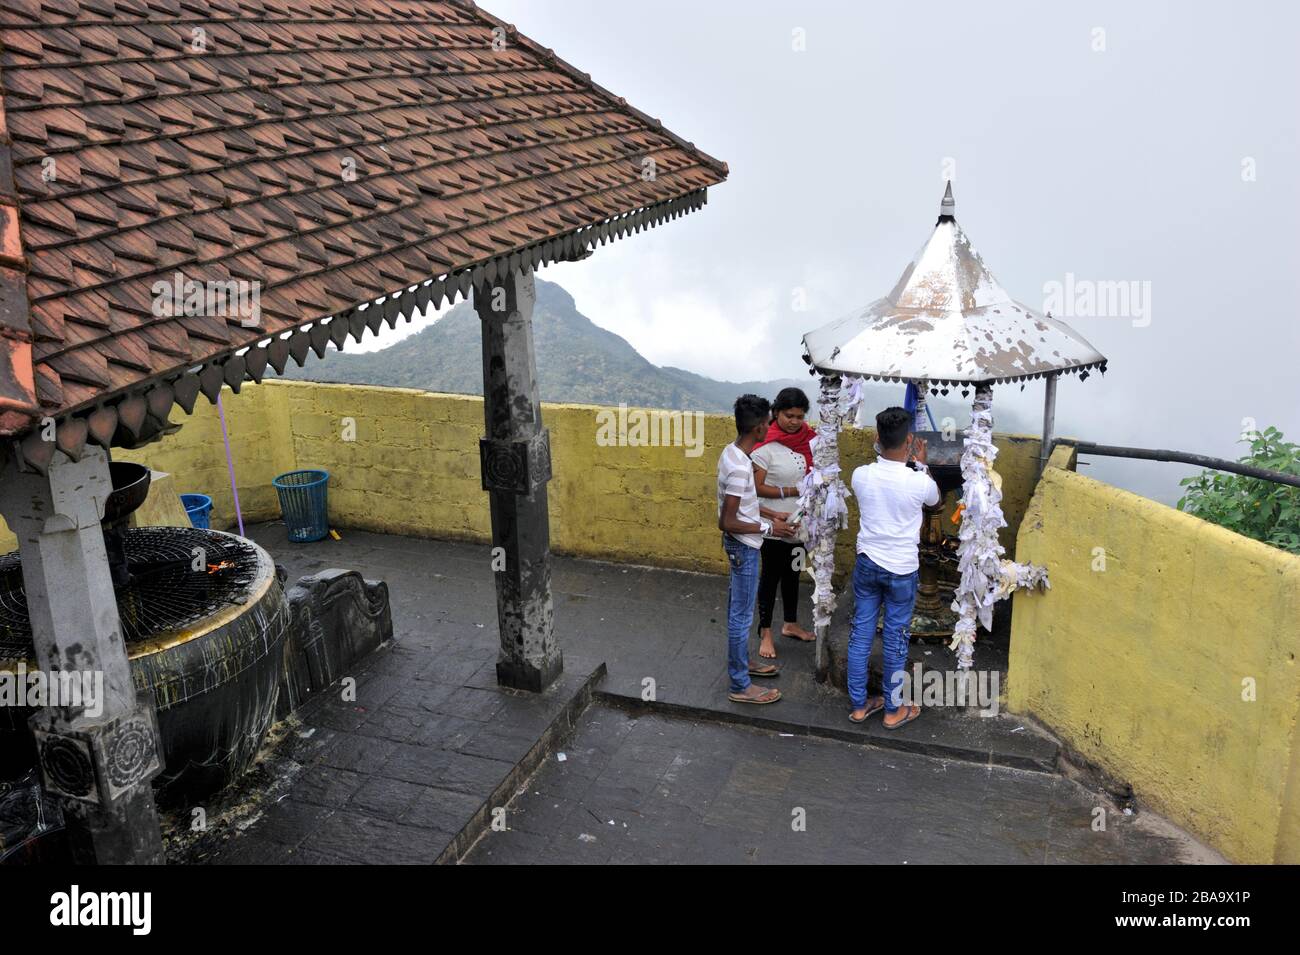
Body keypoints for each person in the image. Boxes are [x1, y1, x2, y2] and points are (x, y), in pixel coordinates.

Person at [846, 406, 940, 728]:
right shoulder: (918, 482)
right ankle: (892, 709)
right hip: (901, 570)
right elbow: (935, 501)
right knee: (896, 638)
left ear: (876, 438)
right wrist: (922, 463)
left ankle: (859, 705)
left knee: (861, 633)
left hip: (867, 564)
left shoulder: (860, 475)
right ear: (910, 440)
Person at [717, 394, 795, 704]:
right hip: (744, 546)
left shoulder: (733, 453)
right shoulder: (739, 468)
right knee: (740, 615)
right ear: (761, 428)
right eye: (768, 423)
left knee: (737, 608)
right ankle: (740, 685)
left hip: (743, 542)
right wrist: (769, 528)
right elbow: (728, 520)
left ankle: (743, 663)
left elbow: (745, 504)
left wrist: (771, 513)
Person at [751, 387, 816, 659]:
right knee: (770, 577)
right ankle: (765, 632)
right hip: (773, 525)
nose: (794, 421)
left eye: (799, 416)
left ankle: (790, 623)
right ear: (776, 413)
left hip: (799, 525)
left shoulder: (809, 439)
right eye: (789, 415)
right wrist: (791, 491)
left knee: (793, 574)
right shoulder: (765, 445)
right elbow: (754, 488)